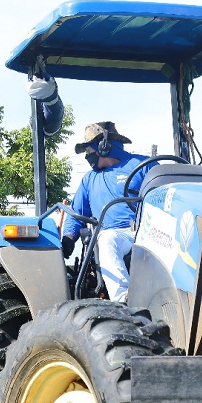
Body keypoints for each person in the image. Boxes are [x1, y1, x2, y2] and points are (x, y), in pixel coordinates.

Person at [61, 122, 154, 303]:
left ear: (104, 146)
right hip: (116, 235)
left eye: (89, 150)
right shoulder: (89, 179)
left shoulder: (144, 165)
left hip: (148, 231)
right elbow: (76, 213)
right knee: (108, 238)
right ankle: (124, 300)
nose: (87, 156)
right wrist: (68, 237)